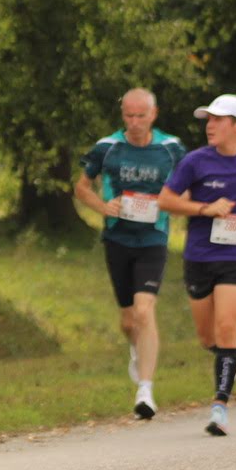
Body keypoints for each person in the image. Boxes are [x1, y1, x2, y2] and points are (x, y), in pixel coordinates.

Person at [157, 93, 236, 436]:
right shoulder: (195, 162)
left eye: (217, 120)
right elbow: (165, 200)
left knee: (227, 326)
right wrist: (204, 209)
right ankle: (228, 357)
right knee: (208, 337)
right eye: (208, 120)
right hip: (199, 257)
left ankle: (219, 407)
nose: (210, 126)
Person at [74, 88, 186, 420]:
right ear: (122, 115)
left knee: (144, 311)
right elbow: (81, 187)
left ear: (154, 114)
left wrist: (169, 203)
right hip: (118, 239)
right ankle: (137, 350)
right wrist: (103, 206)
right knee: (128, 321)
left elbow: (188, 189)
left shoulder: (171, 148)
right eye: (129, 116)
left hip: (153, 239)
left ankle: (145, 391)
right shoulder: (107, 147)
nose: (135, 122)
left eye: (141, 116)